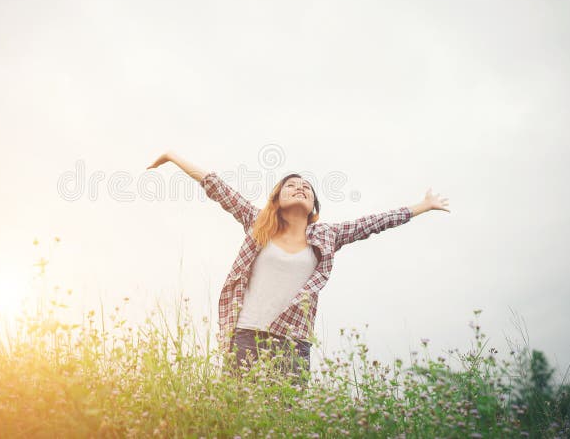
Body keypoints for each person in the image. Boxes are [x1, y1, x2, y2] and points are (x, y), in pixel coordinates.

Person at [146, 151, 450, 387]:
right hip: (247, 337)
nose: (299, 188)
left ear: (314, 206)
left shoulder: (327, 236)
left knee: (284, 421)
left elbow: (374, 222)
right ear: (277, 199)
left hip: (294, 344)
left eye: (306, 187)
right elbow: (217, 188)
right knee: (240, 418)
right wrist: (173, 156)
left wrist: (423, 205)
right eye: (291, 185)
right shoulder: (258, 225)